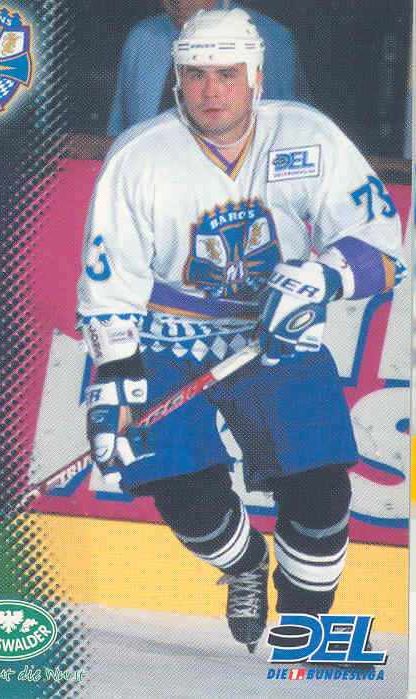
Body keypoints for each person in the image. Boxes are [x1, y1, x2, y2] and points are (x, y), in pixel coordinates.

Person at [77, 8, 405, 653]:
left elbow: (382, 243)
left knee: (320, 490)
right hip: (167, 335)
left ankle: (307, 630)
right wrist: (114, 381)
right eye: (196, 75)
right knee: (182, 493)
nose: (212, 91)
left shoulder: (308, 135)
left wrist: (321, 278)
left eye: (227, 74)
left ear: (256, 75)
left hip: (276, 332)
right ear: (177, 78)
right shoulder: (139, 156)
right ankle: (245, 564)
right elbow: (110, 283)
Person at [71, 0, 306, 159]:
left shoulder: (268, 38)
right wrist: (96, 147)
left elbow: (276, 141)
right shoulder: (142, 38)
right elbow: (123, 134)